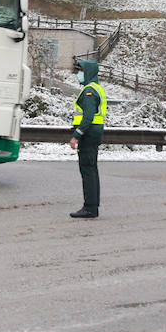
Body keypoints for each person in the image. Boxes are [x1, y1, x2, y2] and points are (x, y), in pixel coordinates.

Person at [67, 58, 106, 218]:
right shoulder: (97, 88)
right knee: (92, 170)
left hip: (88, 133)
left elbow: (88, 116)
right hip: (95, 131)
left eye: (81, 71)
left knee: (88, 170)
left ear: (88, 72)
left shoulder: (89, 91)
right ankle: (92, 206)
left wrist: (76, 135)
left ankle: (89, 207)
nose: (79, 74)